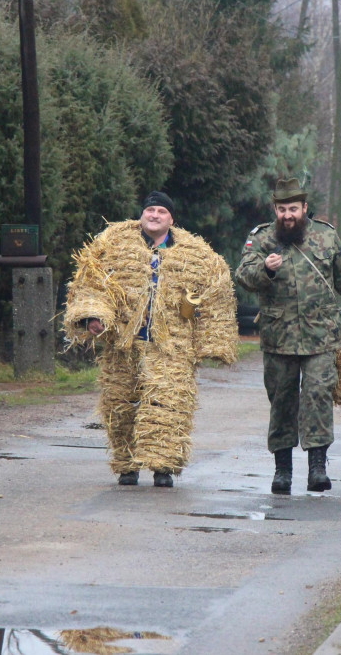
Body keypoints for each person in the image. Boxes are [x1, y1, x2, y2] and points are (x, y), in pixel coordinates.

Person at [63, 191, 238, 488]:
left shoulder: (197, 254)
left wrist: (213, 342)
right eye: (150, 210)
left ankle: (163, 467)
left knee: (168, 406)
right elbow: (92, 284)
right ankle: (127, 465)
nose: (154, 215)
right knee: (120, 404)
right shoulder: (113, 245)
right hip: (123, 345)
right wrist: (94, 317)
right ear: (142, 214)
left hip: (172, 347)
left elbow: (216, 294)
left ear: (171, 219)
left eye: (161, 211)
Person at [235, 178, 341, 494]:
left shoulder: (325, 236)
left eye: (293, 209)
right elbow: (243, 276)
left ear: (305, 208)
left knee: (317, 396)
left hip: (321, 336)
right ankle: (282, 470)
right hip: (279, 338)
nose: (288, 215)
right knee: (281, 401)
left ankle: (317, 467)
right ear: (275, 210)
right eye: (282, 209)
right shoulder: (263, 238)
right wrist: (265, 269)